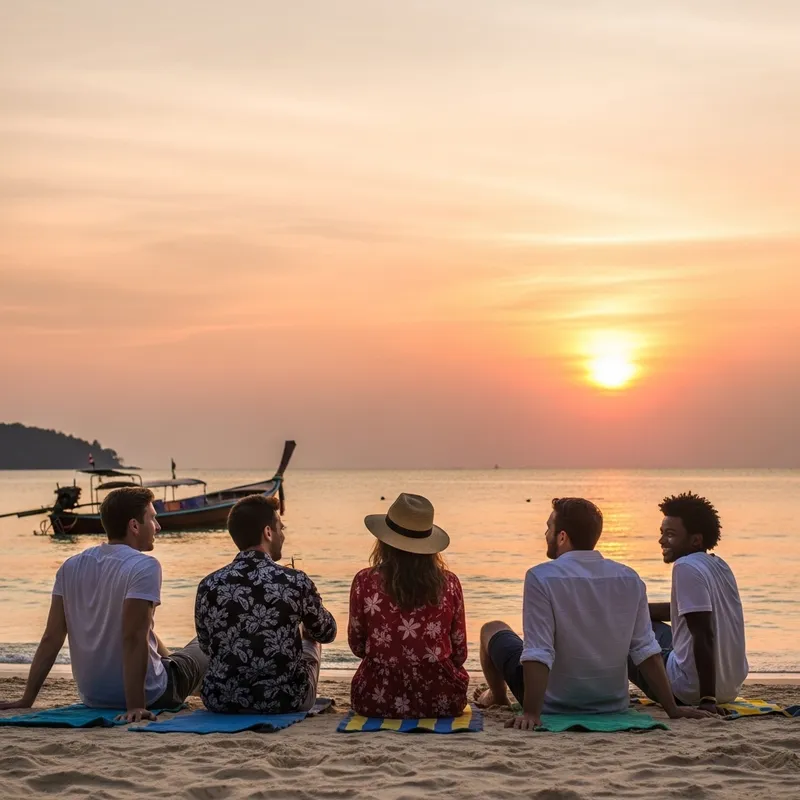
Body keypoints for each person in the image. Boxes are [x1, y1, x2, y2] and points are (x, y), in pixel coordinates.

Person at [477, 497, 711, 729]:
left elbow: (539, 650)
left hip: (555, 704)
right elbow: (646, 650)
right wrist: (672, 709)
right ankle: (496, 696)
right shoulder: (629, 578)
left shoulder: (540, 577)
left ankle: (498, 696)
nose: (546, 534)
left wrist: (531, 713)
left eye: (549, 528)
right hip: (612, 704)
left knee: (492, 629)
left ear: (562, 536)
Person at [0, 487, 207, 722]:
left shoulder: (70, 566)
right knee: (205, 640)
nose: (158, 527)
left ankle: (175, 667)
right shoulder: (145, 566)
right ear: (134, 526)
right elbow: (133, 638)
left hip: (93, 696)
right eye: (152, 518)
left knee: (142, 625)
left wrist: (27, 699)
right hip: (153, 694)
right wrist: (136, 706)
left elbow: (52, 637)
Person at [195, 494, 336, 713]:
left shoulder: (208, 584)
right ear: (268, 532)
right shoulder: (295, 581)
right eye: (281, 528)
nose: (283, 535)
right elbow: (327, 632)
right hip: (286, 700)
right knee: (312, 639)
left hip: (222, 700)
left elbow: (206, 646)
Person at [348, 493, 469, 718]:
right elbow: (459, 653)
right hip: (441, 698)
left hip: (375, 697)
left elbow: (357, 646)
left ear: (383, 542)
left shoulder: (364, 581)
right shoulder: (450, 583)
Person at [629, 492, 748, 713]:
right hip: (730, 688)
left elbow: (703, 634)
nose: (661, 540)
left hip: (689, 691)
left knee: (625, 632)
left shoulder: (685, 566)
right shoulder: (719, 565)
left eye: (670, 534)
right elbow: (685, 611)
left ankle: (610, 694)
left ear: (695, 540)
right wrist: (631, 609)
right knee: (647, 626)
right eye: (662, 533)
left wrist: (707, 699)